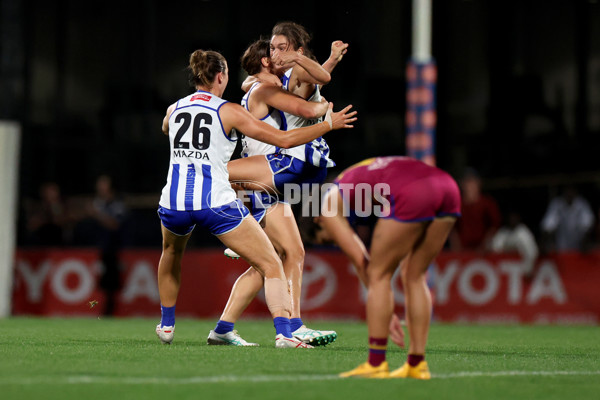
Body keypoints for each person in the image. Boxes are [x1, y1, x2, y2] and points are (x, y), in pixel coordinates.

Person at [154, 48, 356, 348]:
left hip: (173, 202)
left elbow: (167, 127)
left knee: (172, 254)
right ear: (221, 77)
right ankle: (287, 332)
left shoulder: (175, 108)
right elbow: (289, 134)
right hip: (219, 203)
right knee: (274, 262)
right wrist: (327, 122)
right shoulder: (234, 107)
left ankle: (172, 325)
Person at [207, 37, 347, 347]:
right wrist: (324, 112)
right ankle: (290, 327)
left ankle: (224, 328)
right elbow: (309, 107)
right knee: (275, 259)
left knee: (281, 258)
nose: (279, 56)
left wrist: (332, 60)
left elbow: (312, 82)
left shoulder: (257, 86)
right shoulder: (266, 89)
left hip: (269, 183)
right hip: (265, 180)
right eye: (274, 53)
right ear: (267, 64)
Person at [315, 156, 460, 379]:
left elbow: (361, 261)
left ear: (317, 221)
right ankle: (416, 364)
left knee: (379, 274)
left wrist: (385, 309)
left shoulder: (327, 205)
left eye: (328, 239)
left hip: (414, 191)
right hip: (447, 185)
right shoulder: (353, 175)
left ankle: (376, 364)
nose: (336, 241)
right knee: (414, 275)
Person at [88, 174, 127, 316]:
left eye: (103, 184)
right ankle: (100, 310)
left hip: (113, 249)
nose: (100, 188)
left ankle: (109, 313)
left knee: (112, 282)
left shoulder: (116, 205)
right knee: (101, 281)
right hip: (99, 247)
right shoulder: (98, 202)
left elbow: (115, 224)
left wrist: (97, 214)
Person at [450, 168, 501, 252]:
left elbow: (494, 226)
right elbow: (452, 229)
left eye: (472, 182)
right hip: (463, 251)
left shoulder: (487, 203)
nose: (470, 186)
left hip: (484, 252)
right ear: (462, 185)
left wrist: (485, 245)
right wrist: (457, 248)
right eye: (467, 182)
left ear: (478, 183)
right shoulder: (457, 206)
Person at [540, 185, 595, 252]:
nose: (569, 193)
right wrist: (546, 241)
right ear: (564, 191)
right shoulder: (557, 204)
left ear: (575, 192)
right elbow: (548, 225)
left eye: (571, 190)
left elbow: (587, 223)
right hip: (561, 249)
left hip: (580, 249)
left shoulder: (582, 204)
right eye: (567, 190)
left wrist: (586, 241)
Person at [490, 208, 539, 276]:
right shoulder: (503, 232)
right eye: (511, 217)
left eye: (514, 217)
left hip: (520, 269)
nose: (512, 219)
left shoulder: (523, 233)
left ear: (519, 218)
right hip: (505, 269)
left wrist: (528, 269)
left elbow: (532, 252)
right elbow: (495, 249)